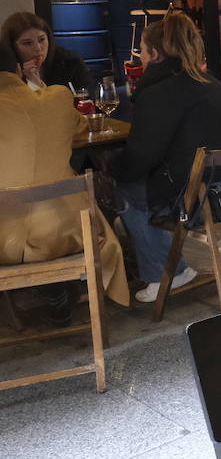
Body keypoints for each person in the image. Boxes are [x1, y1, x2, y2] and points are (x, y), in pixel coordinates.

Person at [111, 13, 221, 302]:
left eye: (143, 52)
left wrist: (111, 167)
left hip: (208, 199)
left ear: (156, 54)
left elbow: (140, 158)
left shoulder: (159, 93)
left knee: (127, 189)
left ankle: (168, 272)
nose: (141, 59)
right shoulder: (210, 83)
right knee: (149, 185)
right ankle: (168, 263)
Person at [0, 44, 130, 322]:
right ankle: (57, 286)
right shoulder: (58, 97)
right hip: (66, 231)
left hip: (3, 241)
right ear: (16, 69)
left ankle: (50, 289)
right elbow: (80, 126)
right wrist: (39, 88)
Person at [2, 11, 92, 92]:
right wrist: (32, 84)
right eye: (28, 43)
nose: (38, 48)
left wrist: (39, 86)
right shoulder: (5, 71)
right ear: (13, 46)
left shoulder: (70, 62)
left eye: (41, 40)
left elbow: (87, 100)